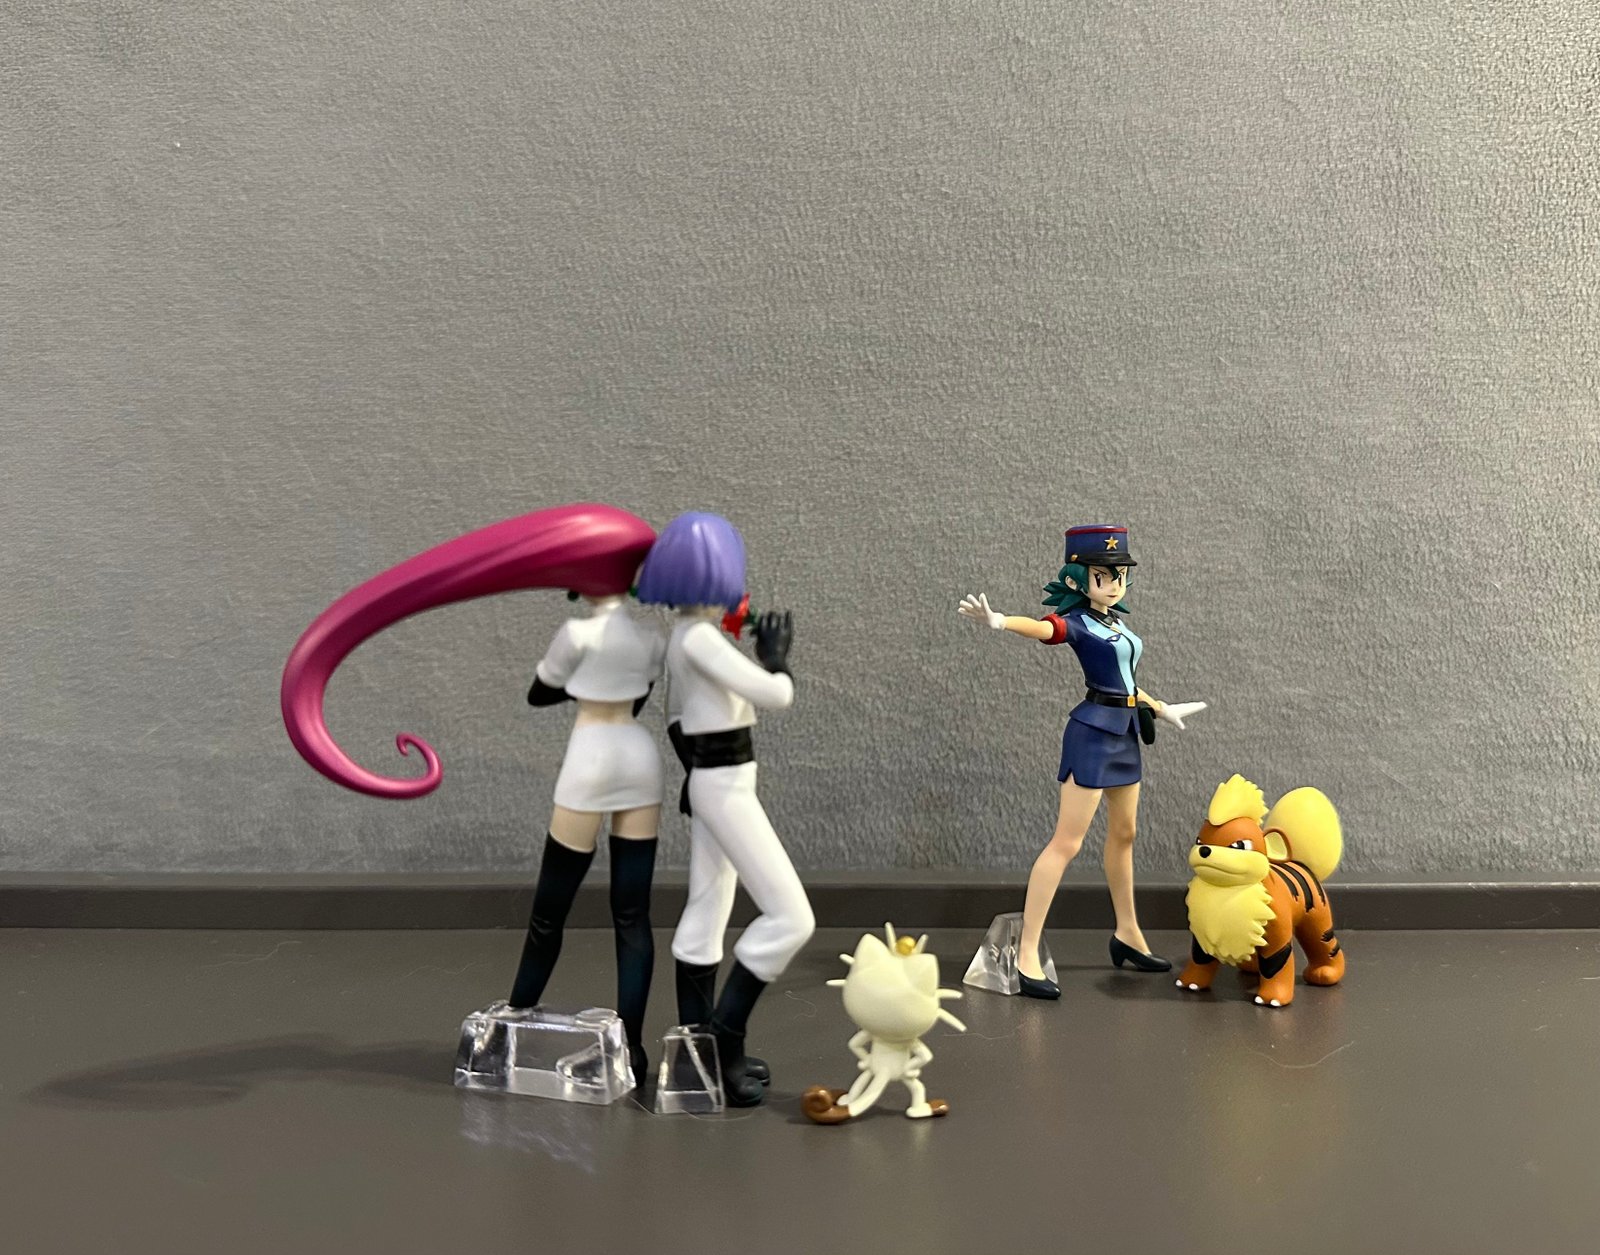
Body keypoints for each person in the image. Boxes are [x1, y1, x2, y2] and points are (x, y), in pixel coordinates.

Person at [957, 524, 1205, 998]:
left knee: (1125, 834)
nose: (1113, 585)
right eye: (1102, 576)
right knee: (1066, 843)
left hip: (1126, 733)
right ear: (1077, 578)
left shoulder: (1117, 625)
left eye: (1119, 576)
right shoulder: (1078, 623)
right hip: (1092, 735)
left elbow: (1126, 682)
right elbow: (1045, 628)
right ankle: (1027, 951)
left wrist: (1159, 707)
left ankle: (1127, 932)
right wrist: (1001, 621)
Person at [635, 512, 814, 1106]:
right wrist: (776, 657)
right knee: (791, 917)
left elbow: (676, 716)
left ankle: (697, 1051)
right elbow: (777, 694)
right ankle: (723, 1038)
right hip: (724, 785)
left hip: (719, 779)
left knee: (709, 907)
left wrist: (695, 771)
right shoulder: (700, 639)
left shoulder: (684, 637)